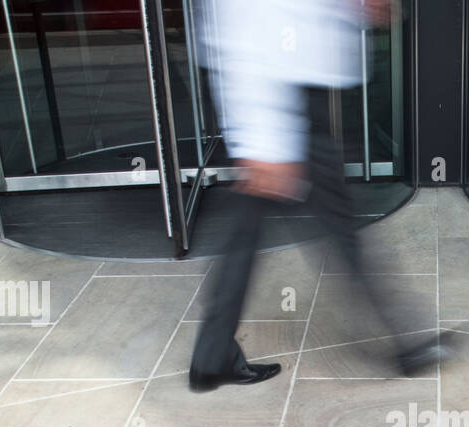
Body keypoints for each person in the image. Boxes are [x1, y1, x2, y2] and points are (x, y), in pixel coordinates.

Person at [189, 0, 445, 391]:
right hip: (282, 100)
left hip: (295, 94)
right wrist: (263, 138)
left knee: (249, 232)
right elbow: (244, 27)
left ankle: (211, 356)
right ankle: (408, 343)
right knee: (337, 230)